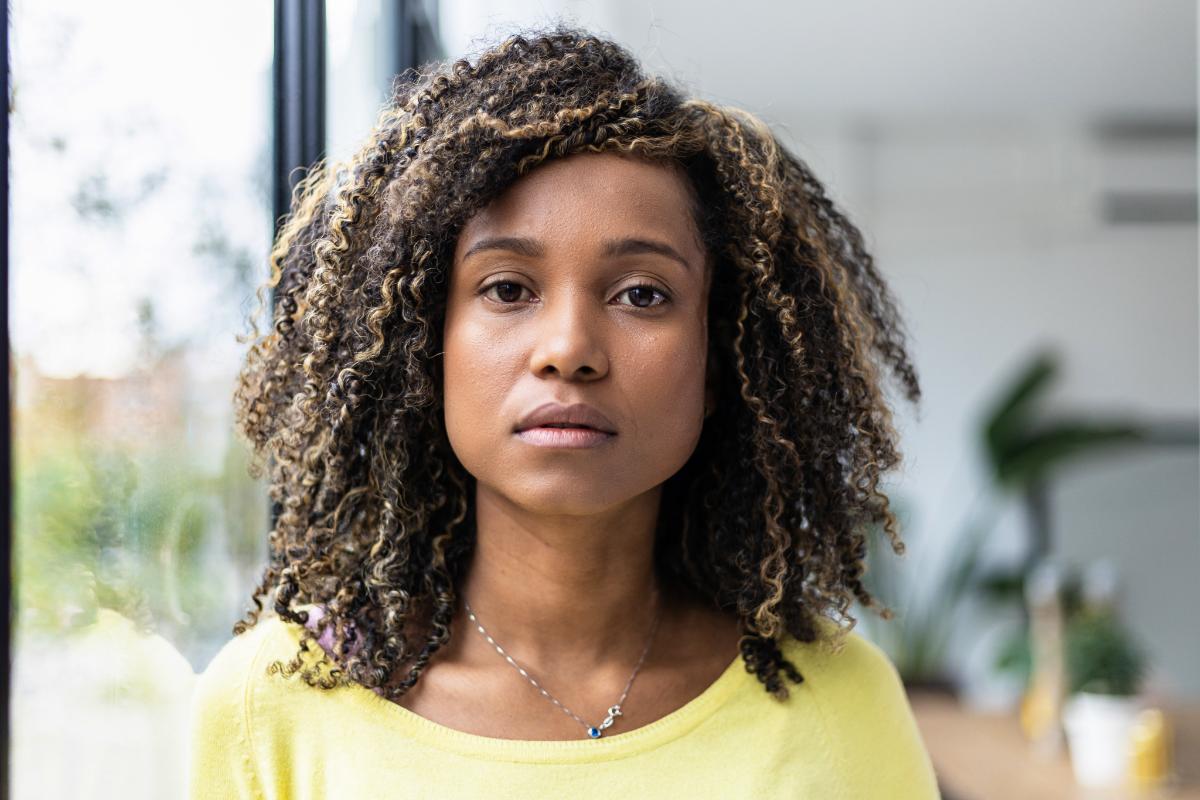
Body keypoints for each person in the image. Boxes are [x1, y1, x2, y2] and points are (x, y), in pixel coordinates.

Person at [187, 25, 941, 799]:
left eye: (642, 294)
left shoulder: (840, 709)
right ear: (425, 348)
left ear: (719, 364)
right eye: (507, 289)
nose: (570, 348)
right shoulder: (273, 707)